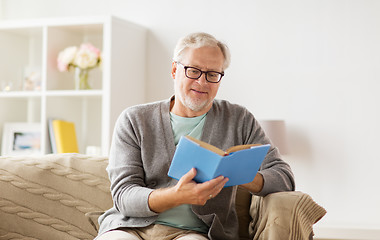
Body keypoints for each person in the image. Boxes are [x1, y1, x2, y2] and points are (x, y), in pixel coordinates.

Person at [96, 32, 295, 240]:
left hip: (195, 233)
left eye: (212, 74)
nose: (202, 82)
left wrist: (241, 174)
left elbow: (284, 177)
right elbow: (124, 195)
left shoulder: (239, 119)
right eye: (193, 71)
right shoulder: (134, 119)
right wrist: (176, 196)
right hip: (130, 228)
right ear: (175, 70)